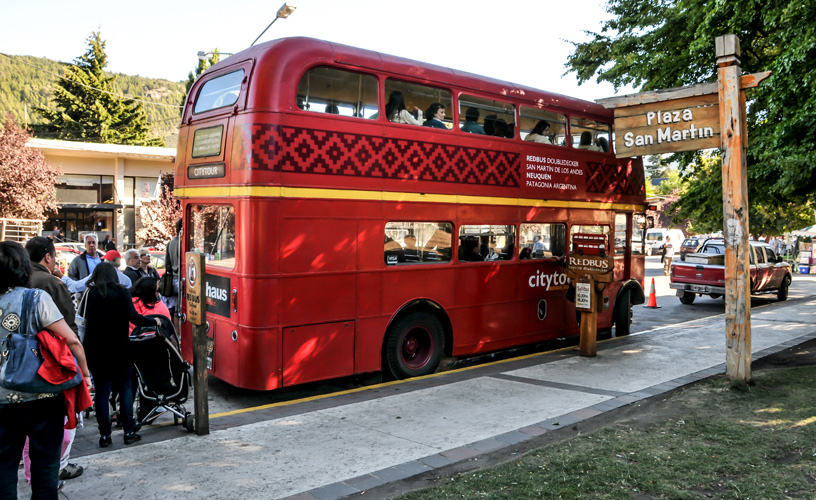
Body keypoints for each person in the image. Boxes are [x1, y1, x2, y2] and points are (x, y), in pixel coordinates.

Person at [0, 241, 91, 499]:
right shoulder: (36, 298)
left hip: (2, 400)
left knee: (4, 467)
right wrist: (84, 374)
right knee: (45, 468)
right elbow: (72, 340)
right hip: (42, 395)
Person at [23, 237, 85, 482]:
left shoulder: (17, 282)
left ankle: (31, 474)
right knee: (58, 423)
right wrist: (82, 368)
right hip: (52, 362)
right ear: (48, 256)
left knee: (28, 431)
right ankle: (54, 471)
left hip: (19, 366)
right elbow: (69, 329)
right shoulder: (49, 283)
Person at [82, 262, 160, 447]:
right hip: (119, 348)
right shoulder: (122, 293)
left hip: (96, 350)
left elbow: (85, 321)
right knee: (125, 388)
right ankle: (129, 431)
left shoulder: (91, 294)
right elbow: (134, 317)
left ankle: (104, 435)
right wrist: (153, 321)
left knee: (102, 392)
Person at [56, 249, 132, 293]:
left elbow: (75, 286)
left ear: (107, 261)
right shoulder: (126, 280)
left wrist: (61, 276)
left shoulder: (97, 277)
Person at [66, 234, 102, 299]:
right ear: (85, 245)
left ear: (97, 244)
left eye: (93, 242)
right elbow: (71, 276)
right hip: (85, 296)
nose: (91, 245)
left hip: (102, 294)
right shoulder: (78, 260)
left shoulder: (103, 259)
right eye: (89, 243)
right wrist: (80, 288)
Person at [164, 219, 182, 317]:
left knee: (175, 308)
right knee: (181, 309)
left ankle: (175, 331)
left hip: (173, 279)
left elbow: (167, 263)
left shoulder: (170, 243)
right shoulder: (183, 243)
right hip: (181, 278)